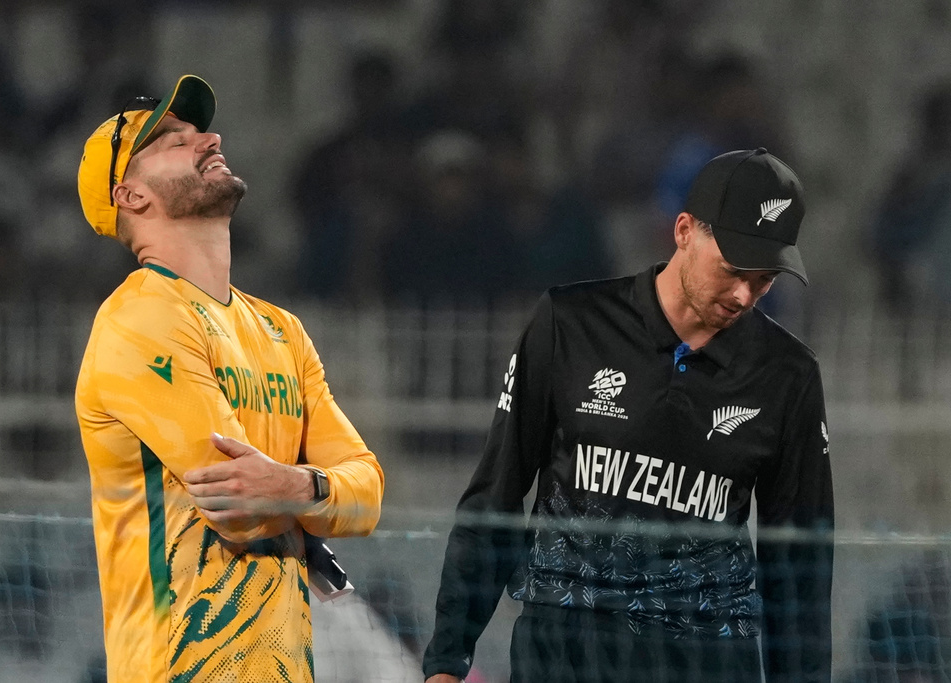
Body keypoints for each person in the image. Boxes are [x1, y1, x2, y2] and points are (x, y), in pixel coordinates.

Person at [422, 148, 834, 683]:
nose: (743, 295)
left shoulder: (788, 375)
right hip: (565, 652)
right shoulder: (569, 324)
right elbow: (495, 499)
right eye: (733, 271)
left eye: (764, 280)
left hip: (706, 660)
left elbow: (799, 566)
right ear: (684, 230)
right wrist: (447, 661)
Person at [74, 74, 384, 682]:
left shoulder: (281, 328)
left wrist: (291, 488)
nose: (207, 139)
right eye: (171, 140)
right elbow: (238, 506)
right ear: (130, 196)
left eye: (200, 130)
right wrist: (319, 493)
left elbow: (369, 491)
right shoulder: (140, 318)